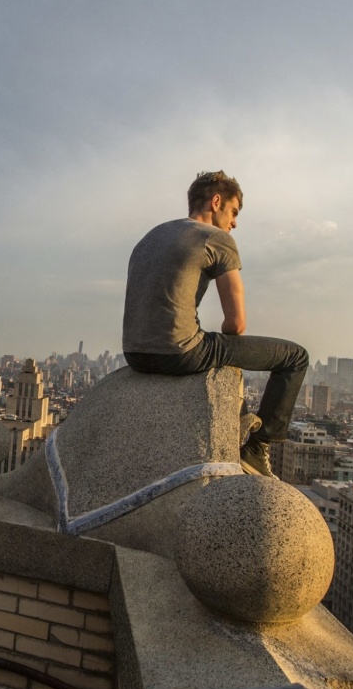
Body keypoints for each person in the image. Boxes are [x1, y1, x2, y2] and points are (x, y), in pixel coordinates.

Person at [122, 170, 308, 475]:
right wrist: (226, 360)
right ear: (216, 201)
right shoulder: (216, 238)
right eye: (233, 212)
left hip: (134, 354)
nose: (234, 222)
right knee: (296, 357)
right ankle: (257, 447)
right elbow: (236, 324)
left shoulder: (151, 236)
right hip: (180, 353)